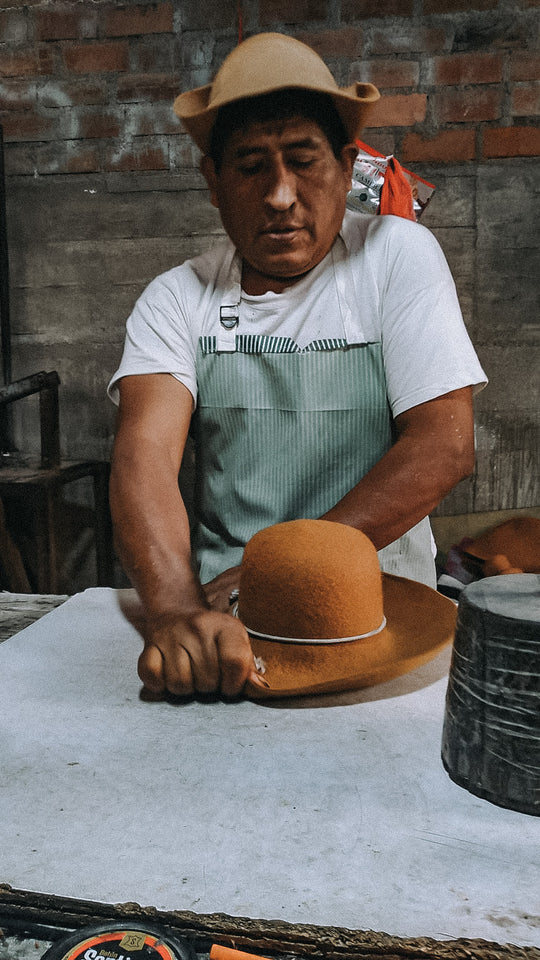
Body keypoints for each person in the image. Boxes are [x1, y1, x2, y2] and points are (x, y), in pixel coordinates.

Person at [108, 32, 486, 700]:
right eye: (251, 165)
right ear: (213, 183)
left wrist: (291, 571)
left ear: (345, 166)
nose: (280, 195)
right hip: (234, 621)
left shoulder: (397, 256)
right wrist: (173, 611)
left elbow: (445, 443)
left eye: (303, 161)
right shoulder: (177, 298)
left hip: (377, 614)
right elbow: (144, 460)